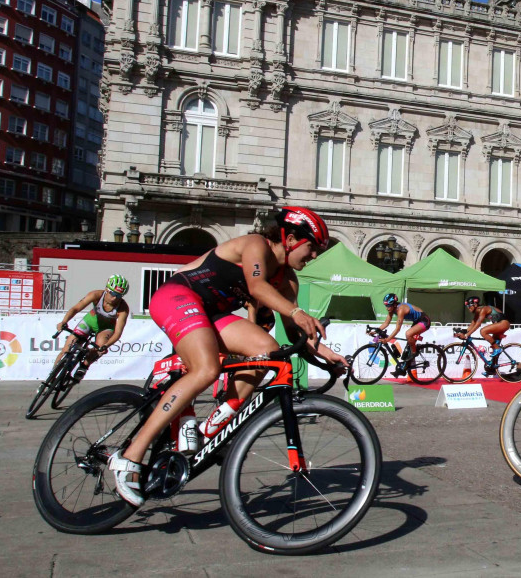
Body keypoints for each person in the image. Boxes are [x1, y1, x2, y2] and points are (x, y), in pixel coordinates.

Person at [109, 206, 346, 507]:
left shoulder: (287, 280)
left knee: (269, 351)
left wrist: (326, 356)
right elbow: (258, 286)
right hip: (179, 295)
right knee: (206, 369)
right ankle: (131, 455)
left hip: (210, 313)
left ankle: (213, 426)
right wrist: (298, 312)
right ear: (290, 238)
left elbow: (293, 332)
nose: (313, 257)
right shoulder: (255, 245)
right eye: (312, 248)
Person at [55, 275, 131, 378]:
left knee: (100, 346)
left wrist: (106, 346)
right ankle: (52, 376)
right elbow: (76, 308)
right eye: (113, 293)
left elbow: (118, 333)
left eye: (118, 295)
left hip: (105, 328)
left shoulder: (123, 308)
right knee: (66, 349)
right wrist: (64, 321)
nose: (114, 298)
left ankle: (84, 366)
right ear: (106, 289)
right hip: (89, 321)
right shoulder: (96, 295)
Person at [378, 293, 431, 376]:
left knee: (408, 334)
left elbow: (398, 329)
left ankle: (414, 353)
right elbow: (386, 323)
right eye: (386, 305)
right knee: (408, 346)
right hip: (417, 321)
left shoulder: (401, 309)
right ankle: (403, 368)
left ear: (394, 304)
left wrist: (387, 340)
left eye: (389, 305)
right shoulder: (392, 309)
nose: (387, 308)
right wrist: (376, 330)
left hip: (424, 321)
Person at [455, 296, 511, 376]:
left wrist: (467, 335)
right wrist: (463, 332)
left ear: (475, 304)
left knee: (483, 331)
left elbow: (478, 324)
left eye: (469, 306)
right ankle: (491, 369)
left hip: (503, 323)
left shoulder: (483, 309)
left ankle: (497, 348)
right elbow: (472, 325)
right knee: (493, 346)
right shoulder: (477, 312)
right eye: (467, 306)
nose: (468, 308)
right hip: (499, 324)